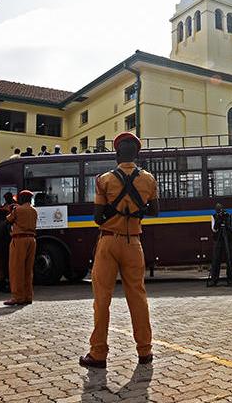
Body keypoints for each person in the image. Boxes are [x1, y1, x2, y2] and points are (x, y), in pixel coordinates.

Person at [79, 132, 159, 368]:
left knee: (102, 298)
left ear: (117, 153)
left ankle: (98, 354)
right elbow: (154, 211)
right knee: (138, 297)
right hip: (133, 242)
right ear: (136, 154)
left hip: (108, 241)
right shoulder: (149, 179)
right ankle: (145, 351)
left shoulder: (104, 180)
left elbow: (96, 217)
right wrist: (135, 211)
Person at [4, 190, 38, 306]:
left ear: (22, 198)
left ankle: (17, 297)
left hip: (19, 240)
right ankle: (28, 296)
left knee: (16, 269)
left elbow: (8, 219)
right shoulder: (34, 210)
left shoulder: (17, 209)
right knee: (28, 269)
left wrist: (11, 209)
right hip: (32, 240)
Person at [208, 203, 232, 287]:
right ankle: (214, 280)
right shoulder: (213, 217)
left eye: (220, 211)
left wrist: (227, 226)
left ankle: (230, 280)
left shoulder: (230, 216)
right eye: (217, 211)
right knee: (216, 260)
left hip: (228, 240)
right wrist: (218, 220)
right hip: (219, 240)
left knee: (229, 260)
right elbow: (214, 229)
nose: (219, 213)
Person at [0, 192, 15, 291]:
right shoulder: (7, 222)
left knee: (0, 267)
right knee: (6, 266)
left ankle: (1, 284)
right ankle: (6, 283)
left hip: (0, 247)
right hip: (6, 247)